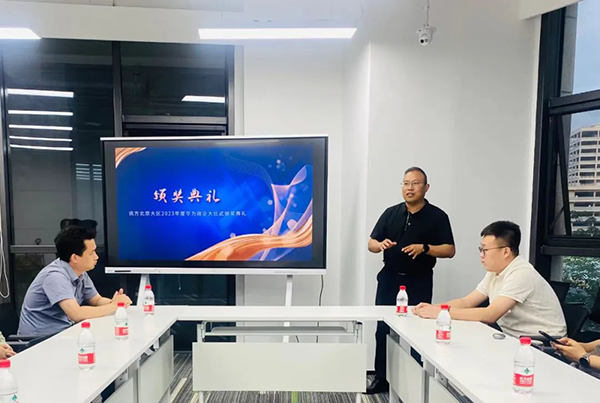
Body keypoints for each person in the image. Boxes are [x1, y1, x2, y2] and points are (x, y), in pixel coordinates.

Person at [366, 167, 456, 394]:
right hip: (389, 279)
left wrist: (425, 248)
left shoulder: (437, 216)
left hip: (419, 280)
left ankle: (415, 383)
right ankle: (382, 378)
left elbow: (449, 250)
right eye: (406, 183)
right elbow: (371, 244)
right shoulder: (391, 213)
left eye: (415, 183)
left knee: (418, 332)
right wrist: (381, 245)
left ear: (426, 188)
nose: (410, 188)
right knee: (382, 329)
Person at [414, 221, 567, 339]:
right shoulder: (495, 272)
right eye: (480, 249)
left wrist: (441, 313)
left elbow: (490, 315)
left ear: (505, 251)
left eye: (485, 250)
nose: (481, 255)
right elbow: (466, 302)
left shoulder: (522, 273)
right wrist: (433, 308)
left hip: (543, 345)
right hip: (513, 339)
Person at [18, 226, 132, 336]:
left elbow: (97, 300)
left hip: (63, 334)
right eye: (91, 253)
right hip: (38, 340)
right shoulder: (55, 276)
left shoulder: (80, 272)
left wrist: (116, 302)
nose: (96, 257)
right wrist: (114, 306)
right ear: (75, 258)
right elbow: (76, 314)